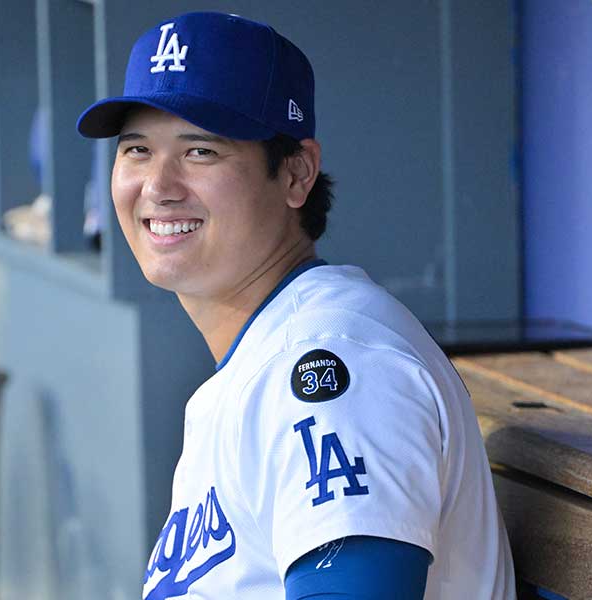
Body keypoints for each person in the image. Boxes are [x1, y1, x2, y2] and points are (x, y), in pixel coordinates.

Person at [77, 11, 515, 600]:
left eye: (201, 151)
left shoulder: (330, 367)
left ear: (296, 174)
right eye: (137, 150)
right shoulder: (269, 355)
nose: (157, 186)